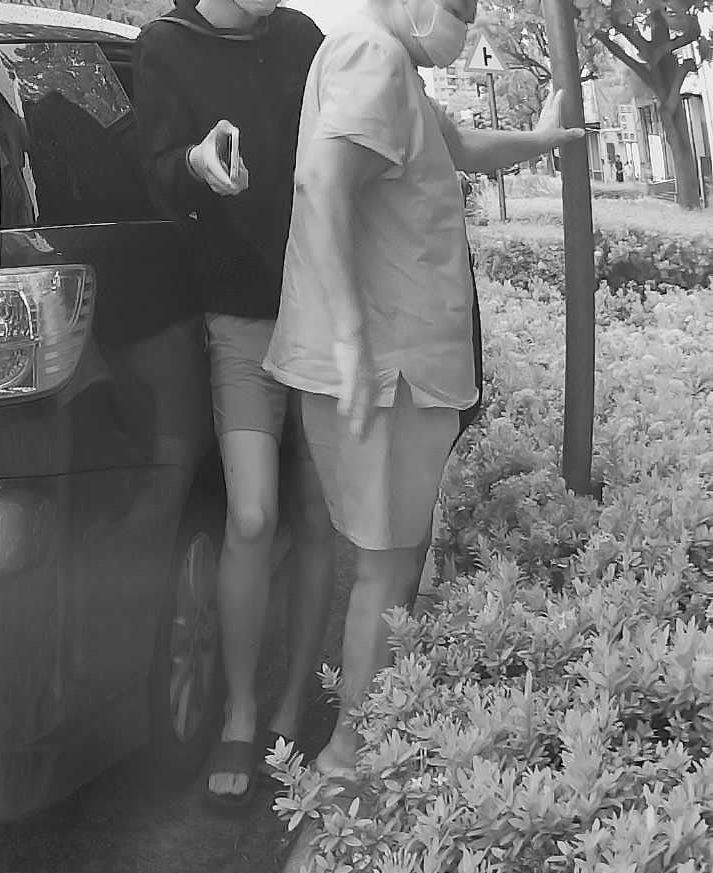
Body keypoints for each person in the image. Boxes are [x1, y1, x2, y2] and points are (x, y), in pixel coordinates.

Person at [264, 0, 584, 779]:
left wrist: (543, 139)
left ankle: (372, 735)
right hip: (386, 369)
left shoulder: (390, 64)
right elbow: (321, 182)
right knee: (386, 565)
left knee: (397, 557)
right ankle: (349, 754)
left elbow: (460, 145)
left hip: (398, 365)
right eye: (457, 7)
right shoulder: (372, 56)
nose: (463, 25)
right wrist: (349, 336)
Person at [136, 0, 336, 805]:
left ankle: (291, 705)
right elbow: (152, 168)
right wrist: (194, 161)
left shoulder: (301, 38)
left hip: (324, 314)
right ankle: (241, 709)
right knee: (251, 516)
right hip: (241, 321)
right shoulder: (166, 46)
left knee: (318, 516)